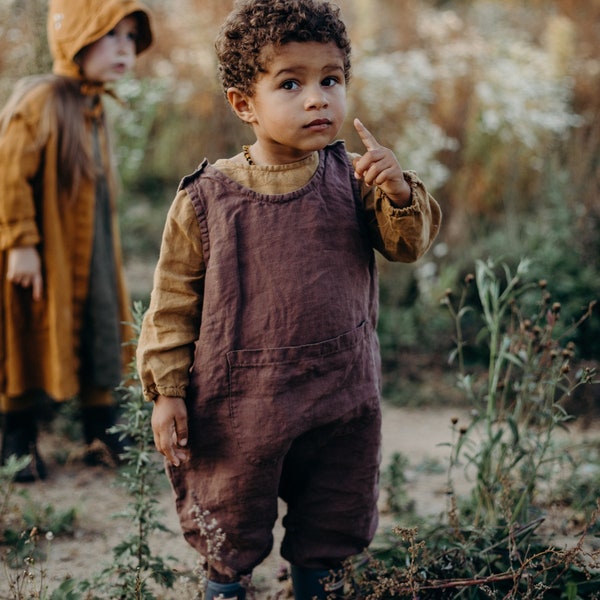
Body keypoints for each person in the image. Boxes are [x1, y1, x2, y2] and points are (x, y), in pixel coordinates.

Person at [137, 0, 441, 598]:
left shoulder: (356, 180)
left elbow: (407, 246)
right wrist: (166, 392)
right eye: (291, 83)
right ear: (243, 103)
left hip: (341, 396)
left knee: (333, 516)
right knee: (228, 522)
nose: (317, 98)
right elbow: (172, 303)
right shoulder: (206, 199)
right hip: (240, 405)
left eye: (331, 79)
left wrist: (400, 190)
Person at [0, 0, 153, 482]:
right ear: (77, 37)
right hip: (43, 253)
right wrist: (22, 242)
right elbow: (8, 172)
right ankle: (17, 438)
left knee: (99, 326)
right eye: (112, 35)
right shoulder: (41, 97)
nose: (125, 48)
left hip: (91, 251)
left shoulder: (94, 102)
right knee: (26, 331)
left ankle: (101, 426)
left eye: (131, 37)